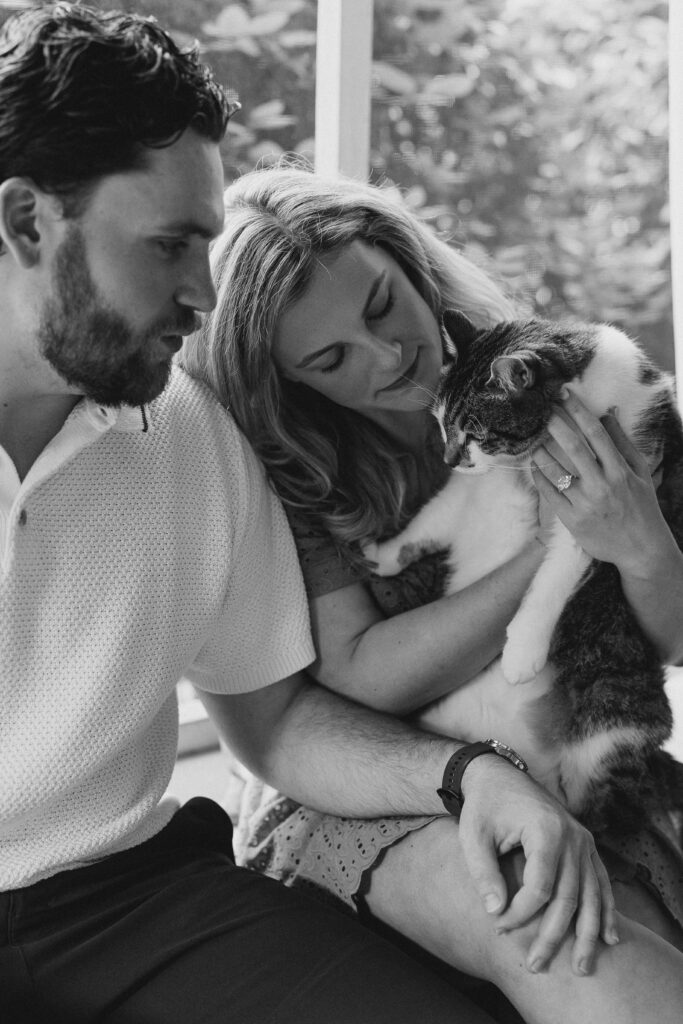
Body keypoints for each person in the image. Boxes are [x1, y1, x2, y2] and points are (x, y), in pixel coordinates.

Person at [0, 7, 555, 1023]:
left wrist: (465, 776)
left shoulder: (188, 432)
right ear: (27, 220)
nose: (201, 298)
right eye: (169, 247)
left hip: (133, 894)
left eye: (205, 248)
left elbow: (279, 721)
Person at [181, 162, 683, 1024]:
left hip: (571, 755)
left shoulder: (537, 375)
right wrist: (553, 553)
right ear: (284, 378)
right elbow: (362, 677)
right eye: (330, 357)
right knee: (582, 944)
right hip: (377, 780)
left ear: (412, 264)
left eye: (383, 306)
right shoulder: (290, 475)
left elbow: (665, 641)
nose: (387, 358)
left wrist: (637, 546)